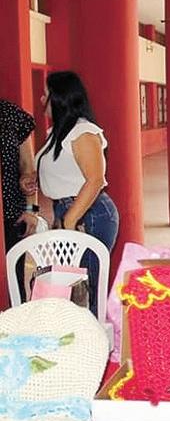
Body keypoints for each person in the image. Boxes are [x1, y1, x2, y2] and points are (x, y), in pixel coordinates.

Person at [36, 71, 119, 317]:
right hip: (68, 211)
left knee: (88, 286)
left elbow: (95, 180)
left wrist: (71, 220)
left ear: (60, 97)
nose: (42, 100)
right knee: (70, 283)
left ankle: (94, 334)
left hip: (88, 213)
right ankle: (80, 332)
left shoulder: (82, 131)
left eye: (46, 94)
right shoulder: (58, 132)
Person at [0, 99, 39, 251]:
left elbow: (28, 167)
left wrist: (32, 209)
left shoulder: (11, 114)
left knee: (13, 263)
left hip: (11, 212)